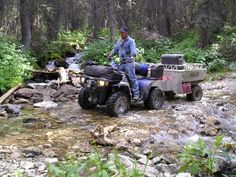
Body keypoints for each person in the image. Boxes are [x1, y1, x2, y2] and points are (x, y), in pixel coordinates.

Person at [108, 26, 140, 100]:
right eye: (120, 32)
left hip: (129, 63)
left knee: (132, 78)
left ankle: (136, 94)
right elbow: (115, 49)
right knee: (118, 77)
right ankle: (121, 92)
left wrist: (132, 56)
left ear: (126, 33)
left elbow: (134, 52)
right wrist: (110, 55)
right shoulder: (119, 41)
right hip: (121, 63)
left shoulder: (131, 41)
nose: (121, 34)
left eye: (123, 32)